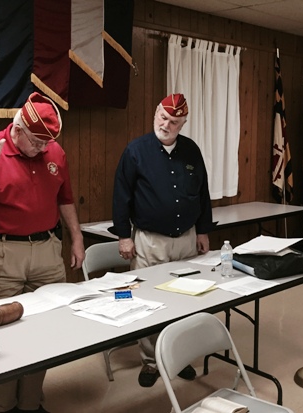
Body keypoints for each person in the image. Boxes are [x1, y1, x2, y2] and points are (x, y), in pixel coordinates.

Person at [0, 92, 85, 413]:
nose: (42, 149)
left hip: (47, 252)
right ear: (17, 129)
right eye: (36, 142)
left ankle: (31, 403)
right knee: (1, 335)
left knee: (44, 330)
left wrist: (76, 238)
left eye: (47, 143)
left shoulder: (53, 150)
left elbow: (65, 198)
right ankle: (3, 406)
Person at [112, 93, 213, 387]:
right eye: (163, 117)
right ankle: (151, 362)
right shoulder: (136, 151)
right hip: (149, 241)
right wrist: (123, 237)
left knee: (186, 301)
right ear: (156, 112)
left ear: (183, 124)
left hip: (187, 239)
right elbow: (121, 196)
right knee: (149, 301)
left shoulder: (191, 151)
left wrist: (203, 230)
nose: (166, 125)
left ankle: (179, 357)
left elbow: (203, 193)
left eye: (173, 122)